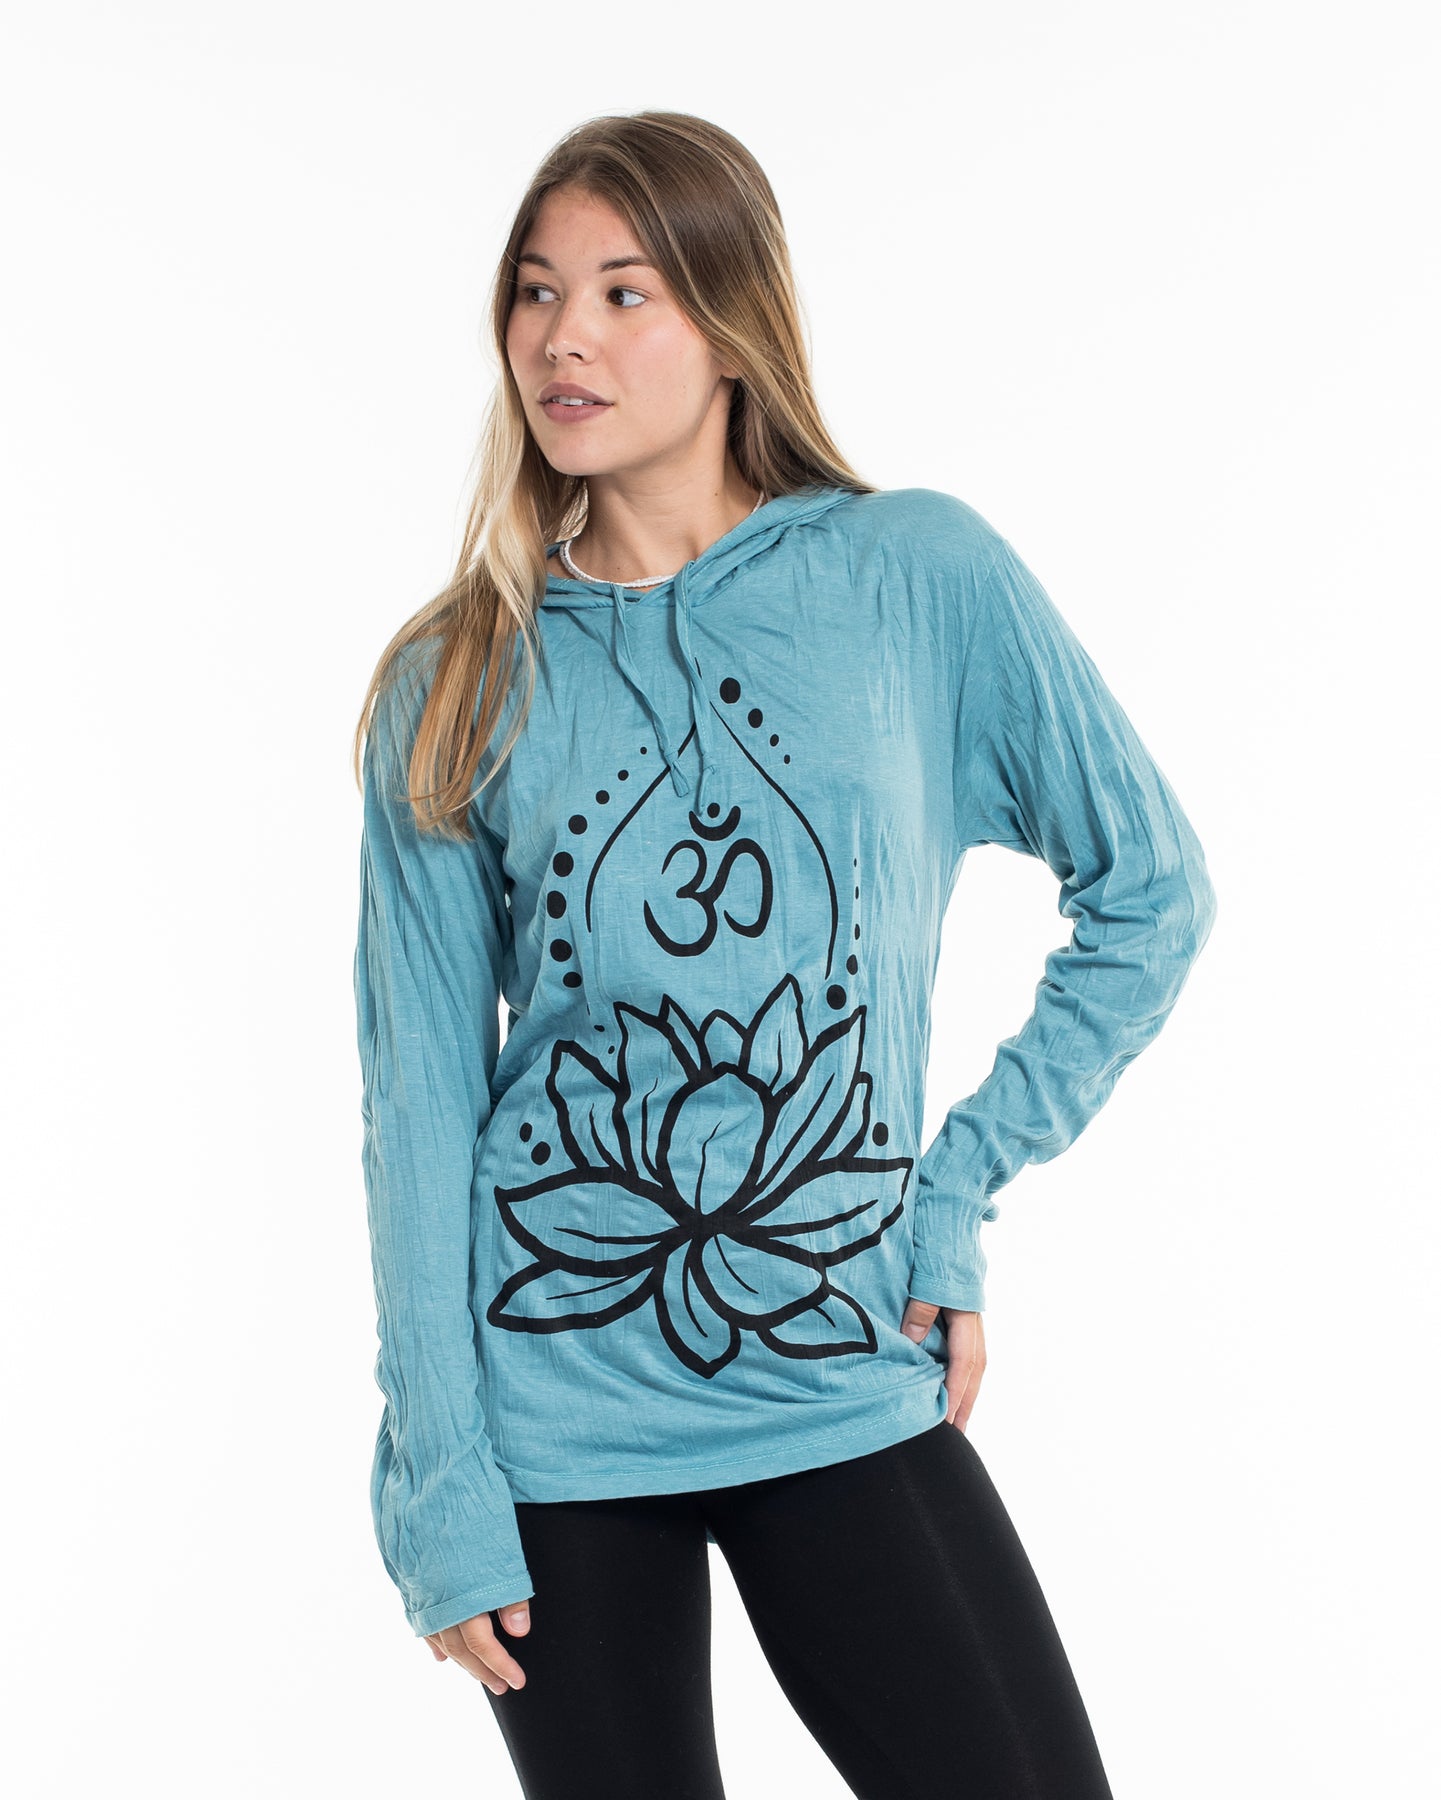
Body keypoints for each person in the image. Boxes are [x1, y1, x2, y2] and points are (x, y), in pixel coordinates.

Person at [352, 110, 1217, 1799]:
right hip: (555, 1412)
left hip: (838, 1367)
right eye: (534, 291)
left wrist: (953, 1190)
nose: (563, 337)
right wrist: (438, 1474)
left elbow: (1150, 891)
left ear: (731, 324)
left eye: (624, 291)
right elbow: (418, 1107)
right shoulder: (454, 677)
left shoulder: (914, 579)